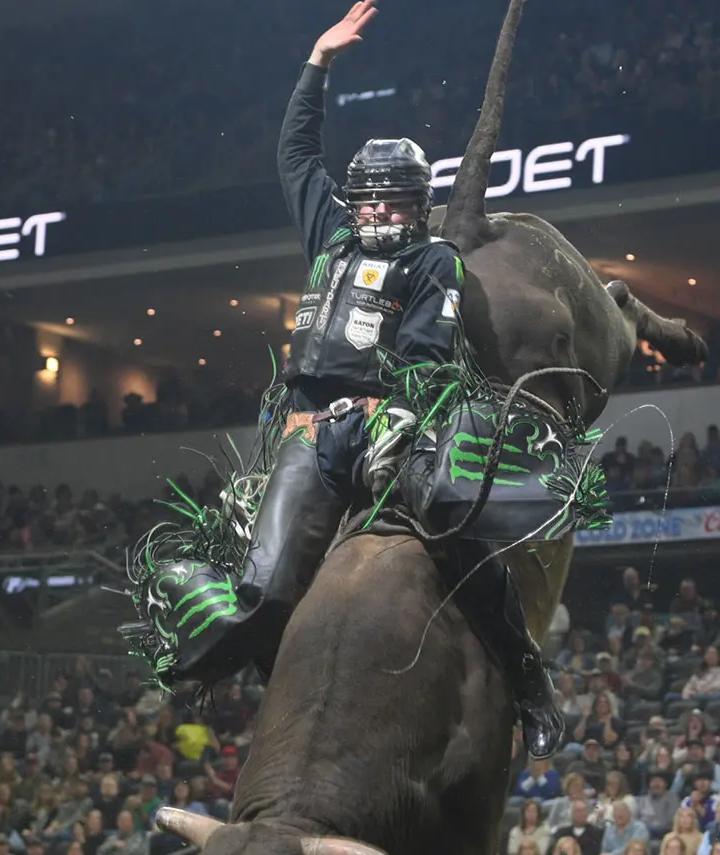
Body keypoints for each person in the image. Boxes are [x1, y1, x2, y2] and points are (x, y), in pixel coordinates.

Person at [120, 0, 568, 757]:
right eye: (367, 197)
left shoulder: (433, 262)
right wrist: (316, 65)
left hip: (391, 424)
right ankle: (221, 677)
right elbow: (295, 157)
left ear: (417, 203)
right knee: (262, 588)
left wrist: (398, 413)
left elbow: (427, 353)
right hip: (308, 432)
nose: (377, 210)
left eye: (392, 198)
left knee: (462, 532)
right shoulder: (329, 234)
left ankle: (529, 681)